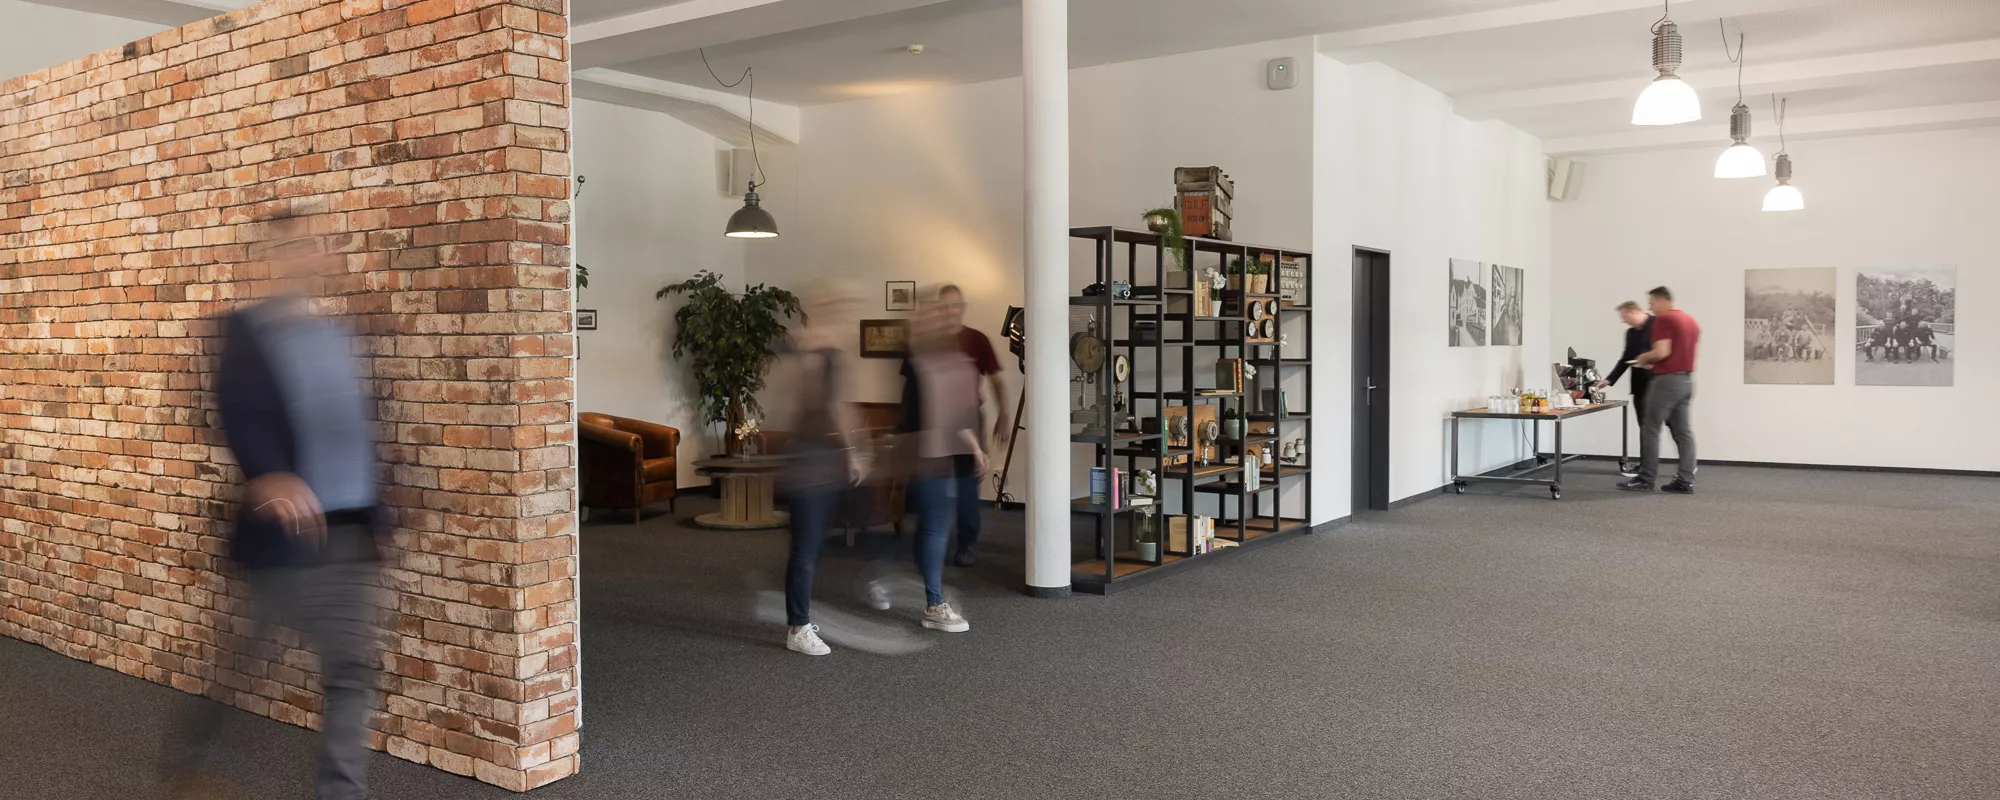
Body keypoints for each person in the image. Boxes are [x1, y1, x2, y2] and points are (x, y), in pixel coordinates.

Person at [170, 210, 385, 800]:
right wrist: (269, 474)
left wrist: (374, 513)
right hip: (281, 536)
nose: (304, 259)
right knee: (246, 664)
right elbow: (236, 411)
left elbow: (358, 428)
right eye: (289, 249)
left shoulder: (337, 334)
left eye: (311, 247)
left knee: (351, 670)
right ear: (264, 260)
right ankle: (189, 760)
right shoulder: (242, 332)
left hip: (342, 531)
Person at [769, 283, 867, 656]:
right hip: (807, 459)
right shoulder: (808, 347)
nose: (840, 307)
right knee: (805, 549)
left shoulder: (831, 350)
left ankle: (801, 617)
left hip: (824, 458)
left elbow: (841, 404)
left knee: (812, 546)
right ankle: (797, 628)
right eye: (833, 301)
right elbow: (814, 402)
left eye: (843, 301)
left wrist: (854, 449)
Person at [891, 288, 984, 632]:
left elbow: (957, 411)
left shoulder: (947, 357)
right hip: (923, 454)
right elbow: (928, 412)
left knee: (934, 528)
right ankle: (933, 603)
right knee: (934, 529)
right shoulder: (918, 360)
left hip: (940, 454)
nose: (938, 318)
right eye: (930, 313)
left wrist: (973, 446)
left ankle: (929, 593)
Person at [932, 284, 1007, 567]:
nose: (950, 311)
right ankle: (933, 540)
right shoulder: (931, 341)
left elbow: (996, 381)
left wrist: (1004, 415)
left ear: (961, 308)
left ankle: (966, 544)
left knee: (967, 485)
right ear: (939, 310)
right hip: (936, 423)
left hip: (969, 419)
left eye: (954, 305)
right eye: (945, 306)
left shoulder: (977, 340)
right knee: (934, 483)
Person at [1621, 286, 1700, 495]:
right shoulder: (1690, 321)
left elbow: (1661, 352)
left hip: (1666, 381)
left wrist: (1643, 358)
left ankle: (1645, 479)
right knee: (1683, 432)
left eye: (1651, 303)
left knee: (1650, 428)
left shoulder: (1664, 320)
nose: (1650, 307)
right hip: (1686, 381)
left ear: (1662, 300)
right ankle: (1685, 480)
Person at [1594, 300, 1652, 476]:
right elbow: (1626, 358)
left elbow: (1666, 352)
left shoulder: (1658, 325)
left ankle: (1686, 465)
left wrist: (1652, 364)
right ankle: (1645, 466)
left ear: (1633, 311)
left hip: (1659, 384)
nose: (1623, 321)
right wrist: (1609, 380)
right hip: (1640, 385)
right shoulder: (1630, 333)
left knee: (1672, 425)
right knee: (1645, 426)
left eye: (1625, 317)